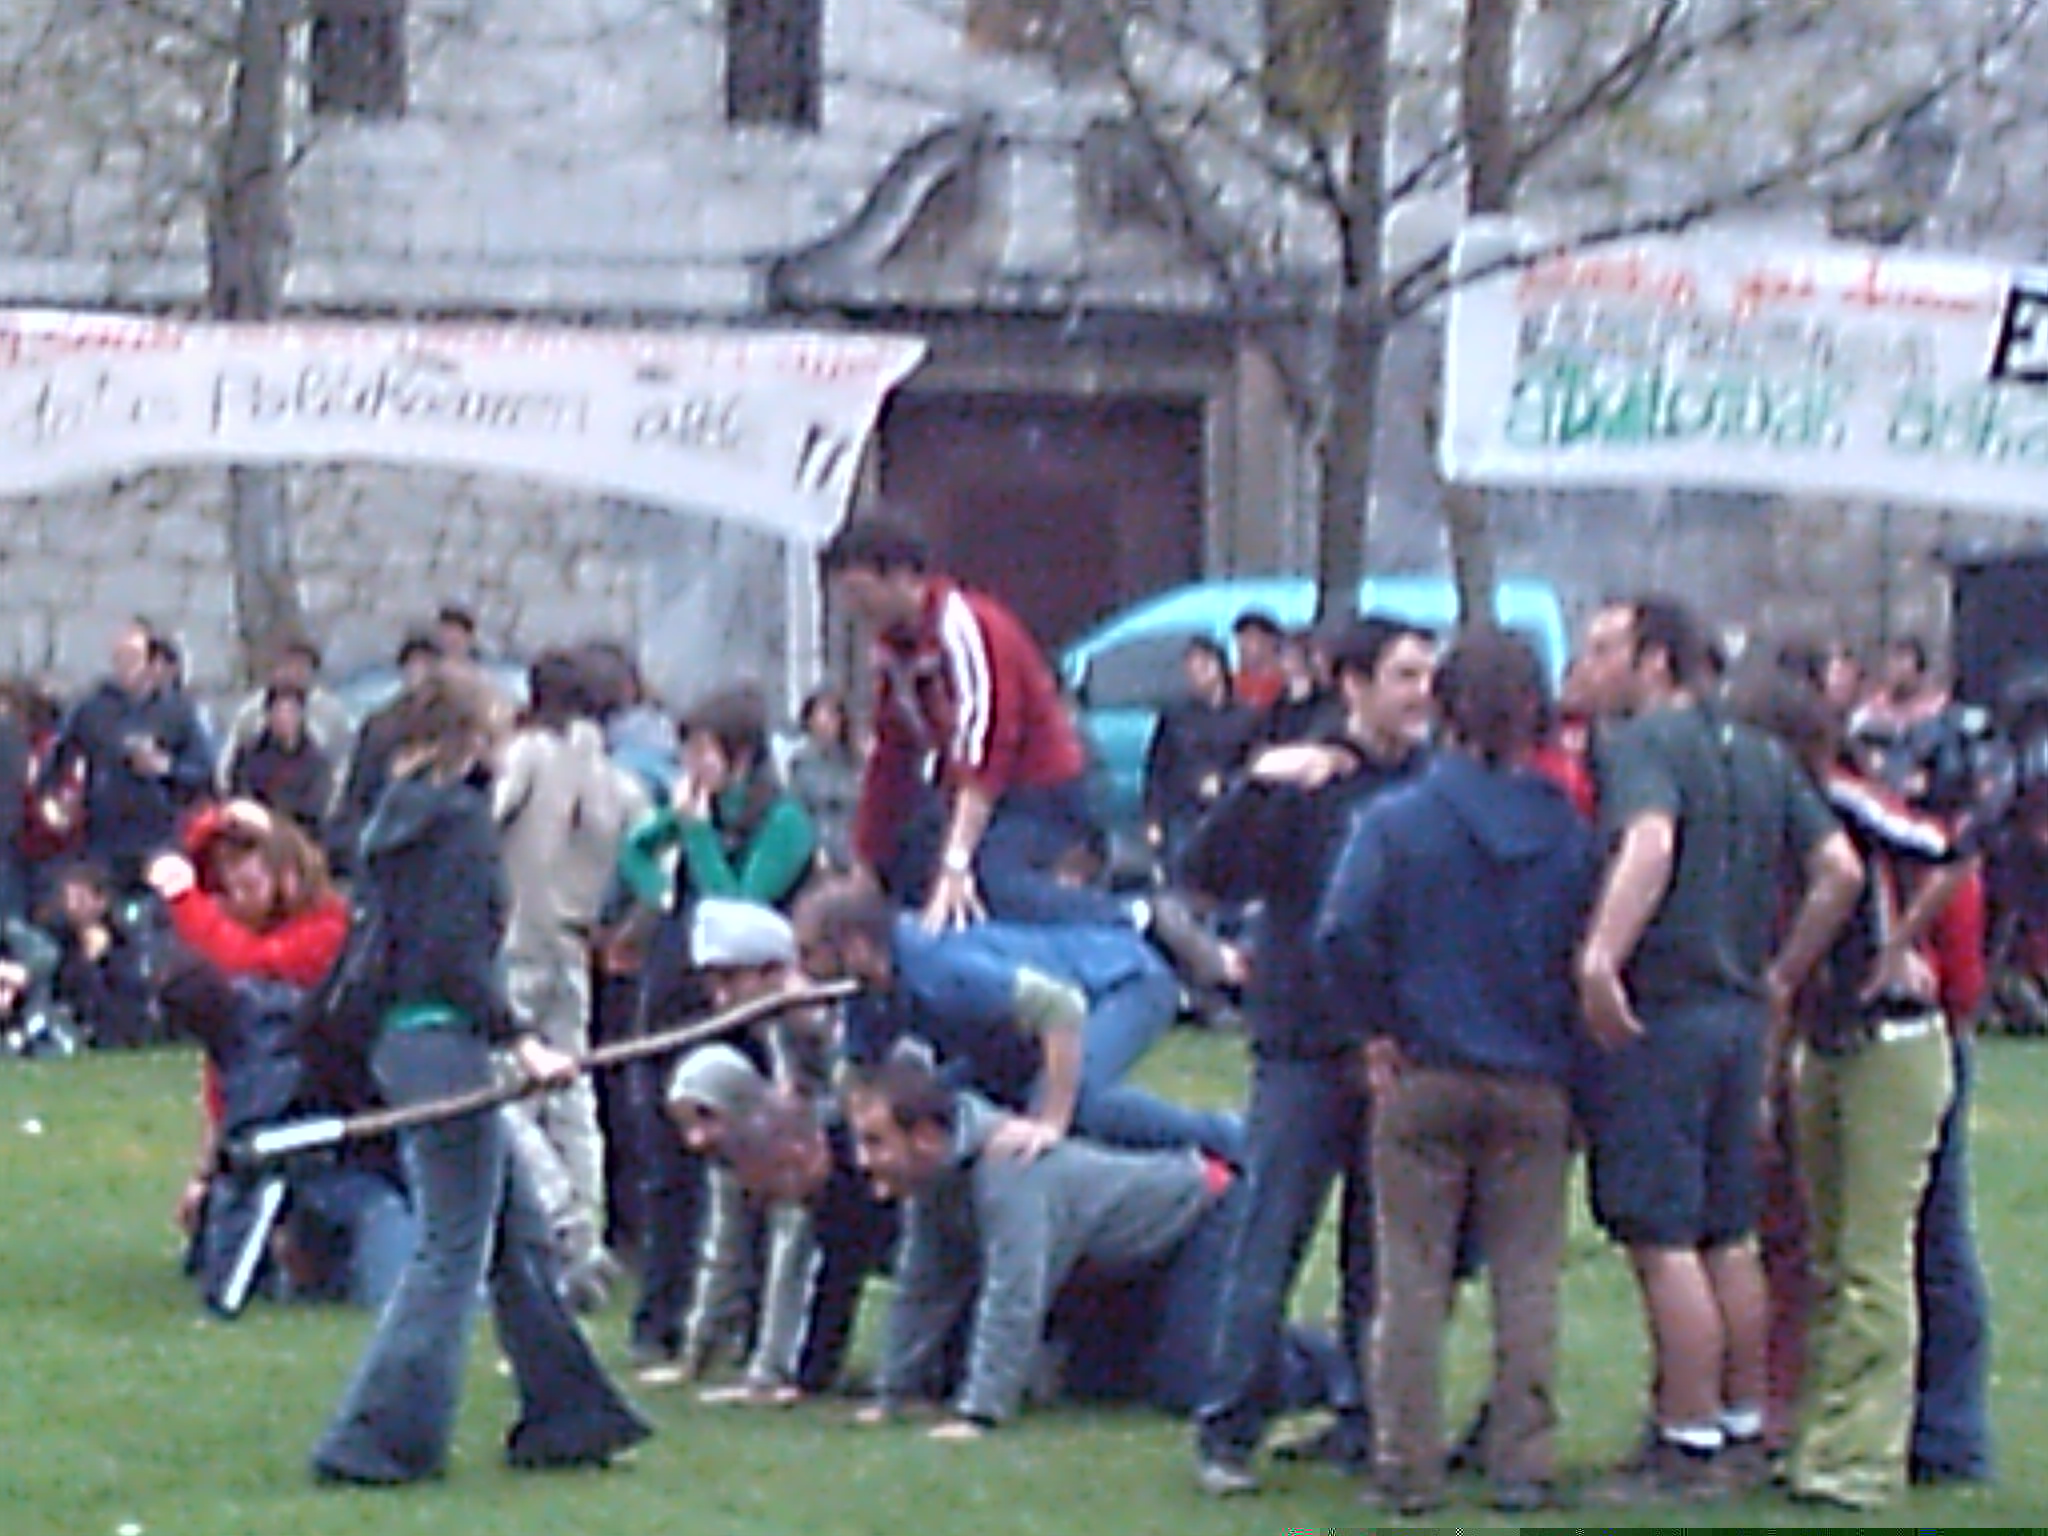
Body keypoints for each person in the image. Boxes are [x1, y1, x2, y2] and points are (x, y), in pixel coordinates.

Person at [310, 670, 650, 1486]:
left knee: (514, 1234)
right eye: (496, 727)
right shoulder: (459, 823)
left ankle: (567, 1413)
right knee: (452, 1244)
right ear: (467, 736)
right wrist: (520, 1039)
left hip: (401, 1040)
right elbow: (453, 957)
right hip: (443, 1042)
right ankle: (378, 1436)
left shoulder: (393, 818)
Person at [1572, 597, 1862, 1503]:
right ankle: (1743, 1424)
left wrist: (1600, 957)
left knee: (1662, 1238)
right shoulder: (1762, 752)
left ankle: (1685, 1440)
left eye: (1606, 648)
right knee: (1729, 1233)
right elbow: (1839, 870)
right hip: (1740, 1017)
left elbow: (1651, 842)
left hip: (1662, 1014)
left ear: (1655, 660)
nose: (1590, 664)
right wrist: (1781, 973)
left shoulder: (1644, 746)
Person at [1313, 629, 1598, 1516]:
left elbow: (1341, 932)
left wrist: (1375, 1025)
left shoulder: (1397, 820)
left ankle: (1406, 1463)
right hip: (1534, 1074)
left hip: (1424, 1067)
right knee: (1527, 1276)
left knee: (1410, 1275)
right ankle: (1523, 1459)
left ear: (1444, 706)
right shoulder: (1567, 829)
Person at [1185, 614, 1436, 1496]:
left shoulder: (1430, 782)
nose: (1422, 694)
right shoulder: (1308, 776)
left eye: (1427, 676)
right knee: (1270, 1239)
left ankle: (1363, 1415)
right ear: (1354, 685)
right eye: (1405, 676)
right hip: (1301, 1043)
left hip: (1394, 1048)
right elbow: (1206, 871)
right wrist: (1257, 786)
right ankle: (1227, 1427)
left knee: (1379, 1252)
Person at [844, 1053, 1348, 1434]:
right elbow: (922, 1289)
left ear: (926, 1136)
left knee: (1192, 1384)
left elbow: (1014, 1293)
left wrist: (980, 1415)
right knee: (1107, 1384)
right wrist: (893, 1394)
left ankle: (1334, 1366)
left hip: (1203, 1212)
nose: (863, 1161)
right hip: (1129, 1260)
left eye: (875, 1141)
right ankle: (1278, 1344)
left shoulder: (1006, 1173)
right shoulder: (934, 1184)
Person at [1741, 671, 1969, 1510]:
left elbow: (1950, 847)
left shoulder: (1845, 803)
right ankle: (1825, 1435)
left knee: (1873, 1258)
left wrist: (1897, 941)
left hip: (1890, 1041)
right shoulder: (1778, 821)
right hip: (1827, 1042)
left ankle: (1863, 1455)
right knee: (1830, 1255)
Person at [616, 684, 817, 1374]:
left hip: (740, 1016)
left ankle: (747, 1320)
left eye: (702, 752)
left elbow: (737, 909)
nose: (691, 767)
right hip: (672, 999)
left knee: (741, 1171)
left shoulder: (782, 822)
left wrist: (698, 836)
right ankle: (661, 1319)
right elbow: (636, 852)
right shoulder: (696, 812)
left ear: (738, 754)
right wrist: (659, 883)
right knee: (664, 1168)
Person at [795, 878, 1243, 1161]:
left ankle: (1231, 1139)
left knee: (1078, 1102)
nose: (802, 967)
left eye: (809, 953)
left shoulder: (938, 968)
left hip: (1120, 984)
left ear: (854, 947)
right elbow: (859, 1069)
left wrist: (1050, 1122)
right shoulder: (871, 988)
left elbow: (1059, 1006)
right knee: (946, 1102)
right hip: (1028, 1031)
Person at [819, 516, 1117, 933]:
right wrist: (867, 864)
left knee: (994, 882)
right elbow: (891, 758)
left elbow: (988, 746)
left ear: (900, 577)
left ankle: (1125, 921)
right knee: (906, 867)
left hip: (1038, 791)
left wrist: (956, 862)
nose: (855, 609)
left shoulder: (966, 629)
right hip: (963, 795)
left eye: (860, 593)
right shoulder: (893, 653)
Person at [495, 648, 647, 1309]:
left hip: (517, 938)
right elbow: (657, 848)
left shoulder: (529, 756)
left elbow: (489, 812)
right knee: (573, 1094)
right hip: (575, 942)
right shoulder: (612, 776)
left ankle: (560, 1222)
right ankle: (588, 1230)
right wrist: (632, 924)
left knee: (501, 1086)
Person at [41, 618, 214, 892]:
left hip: (159, 837)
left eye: (133, 657)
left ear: (150, 661)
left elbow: (203, 773)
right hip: (103, 839)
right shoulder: (92, 710)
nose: (126, 666)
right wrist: (60, 802)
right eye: (120, 657)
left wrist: (165, 768)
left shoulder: (178, 712)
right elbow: (56, 763)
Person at [329, 630, 440, 873]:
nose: (418, 671)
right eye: (412, 663)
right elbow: (357, 787)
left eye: (426, 664)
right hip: (376, 827)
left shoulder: (445, 723)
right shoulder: (380, 723)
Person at [1143, 637, 1256, 869]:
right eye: (1191, 670)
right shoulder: (1176, 716)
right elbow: (1157, 769)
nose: (1197, 676)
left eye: (1203, 667)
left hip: (1229, 816)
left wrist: (1225, 782)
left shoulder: (1246, 717)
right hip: (1183, 813)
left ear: (1220, 667)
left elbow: (1253, 765)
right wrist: (1153, 819)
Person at [214, 636, 356, 801]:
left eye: (303, 666)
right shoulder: (252, 711)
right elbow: (228, 762)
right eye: (289, 664)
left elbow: (343, 763)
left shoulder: (330, 712)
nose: (295, 672)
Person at [226, 683, 339, 837]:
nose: (284, 718)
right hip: (252, 832)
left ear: (300, 715)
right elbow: (239, 793)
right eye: (278, 711)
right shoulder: (248, 754)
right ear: (268, 715)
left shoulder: (316, 762)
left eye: (290, 711)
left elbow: (313, 811)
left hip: (295, 837)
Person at [786, 686, 864, 876]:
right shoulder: (801, 763)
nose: (825, 723)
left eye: (831, 715)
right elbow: (801, 808)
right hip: (819, 851)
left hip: (853, 849)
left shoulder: (854, 762)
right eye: (818, 715)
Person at [1230, 611, 1287, 712]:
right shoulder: (1229, 687)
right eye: (1239, 639)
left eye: (1249, 636)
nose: (1242, 645)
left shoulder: (1289, 684)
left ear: (1272, 641)